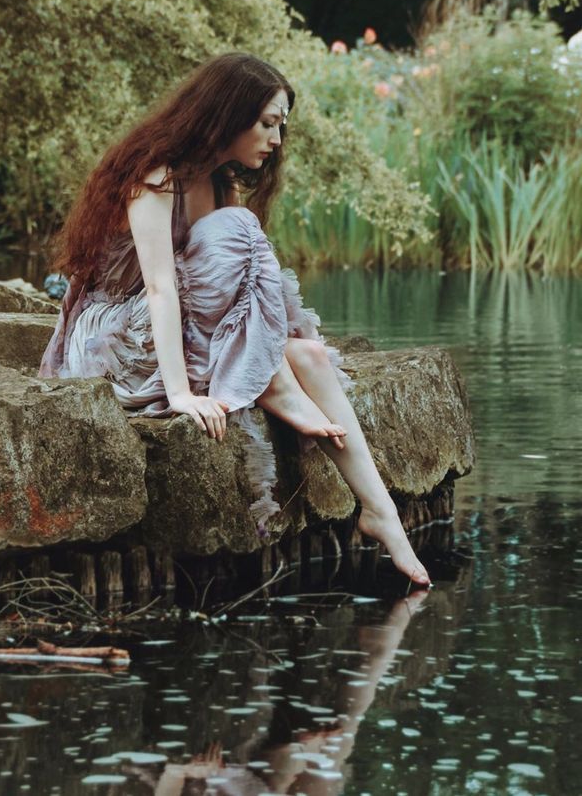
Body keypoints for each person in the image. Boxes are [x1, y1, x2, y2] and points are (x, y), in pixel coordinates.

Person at [39, 52, 430, 587]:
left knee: (310, 354)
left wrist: (283, 344)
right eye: (267, 123)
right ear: (226, 115)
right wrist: (179, 394)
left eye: (281, 126)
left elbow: (231, 294)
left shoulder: (222, 182)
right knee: (240, 230)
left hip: (183, 325)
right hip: (116, 336)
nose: (275, 139)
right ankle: (276, 385)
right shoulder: (155, 176)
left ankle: (380, 512)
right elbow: (159, 287)